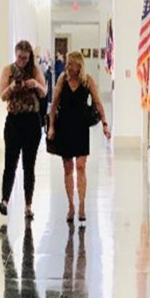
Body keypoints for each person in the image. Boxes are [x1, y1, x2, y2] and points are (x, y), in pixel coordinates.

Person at [47, 51, 111, 227]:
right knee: (68, 168)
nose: (68, 67)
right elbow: (53, 105)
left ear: (79, 66)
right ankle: (71, 205)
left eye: (71, 64)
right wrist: (51, 127)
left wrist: (105, 124)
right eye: (68, 64)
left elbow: (98, 103)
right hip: (64, 128)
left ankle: (82, 204)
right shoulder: (62, 80)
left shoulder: (87, 81)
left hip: (81, 128)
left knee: (81, 166)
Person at [0, 40, 47, 219]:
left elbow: (44, 93)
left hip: (31, 120)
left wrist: (36, 85)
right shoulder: (8, 70)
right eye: (19, 57)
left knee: (28, 165)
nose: (22, 61)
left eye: (25, 58)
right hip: (14, 120)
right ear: (15, 54)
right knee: (10, 162)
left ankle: (28, 205)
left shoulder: (35, 70)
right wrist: (11, 87)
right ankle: (4, 200)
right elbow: (2, 96)